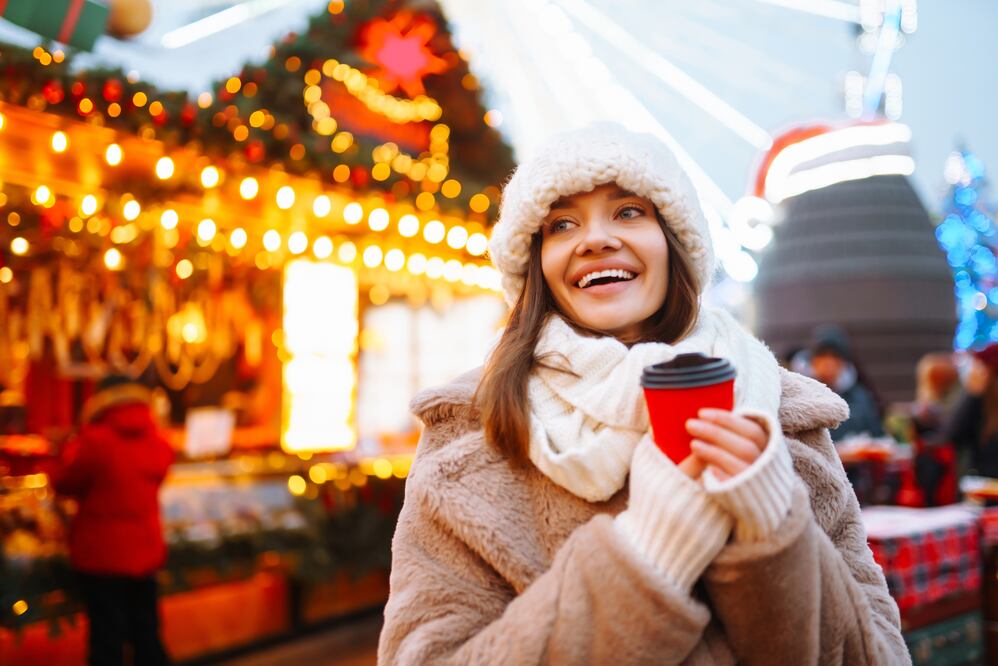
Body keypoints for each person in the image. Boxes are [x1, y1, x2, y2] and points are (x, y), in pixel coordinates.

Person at [378, 124, 907, 664]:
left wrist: (775, 533)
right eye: (562, 223)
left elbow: (880, 653)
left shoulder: (784, 413)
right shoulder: (473, 430)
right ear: (536, 262)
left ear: (674, 241)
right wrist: (645, 560)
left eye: (629, 211)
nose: (596, 239)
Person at [51, 375, 174, 666]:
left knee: (107, 639)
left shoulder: (93, 441)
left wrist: (57, 453)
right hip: (145, 551)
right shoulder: (156, 440)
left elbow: (64, 481)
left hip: (101, 555)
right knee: (146, 634)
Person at [805, 325, 885, 441]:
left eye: (834, 357)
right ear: (813, 360)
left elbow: (877, 435)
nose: (828, 363)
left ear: (843, 362)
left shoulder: (860, 397)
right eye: (823, 356)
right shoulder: (802, 394)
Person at [943, 344, 998, 478]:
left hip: (985, 485)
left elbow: (952, 434)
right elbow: (953, 435)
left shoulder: (979, 400)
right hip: (984, 484)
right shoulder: (981, 401)